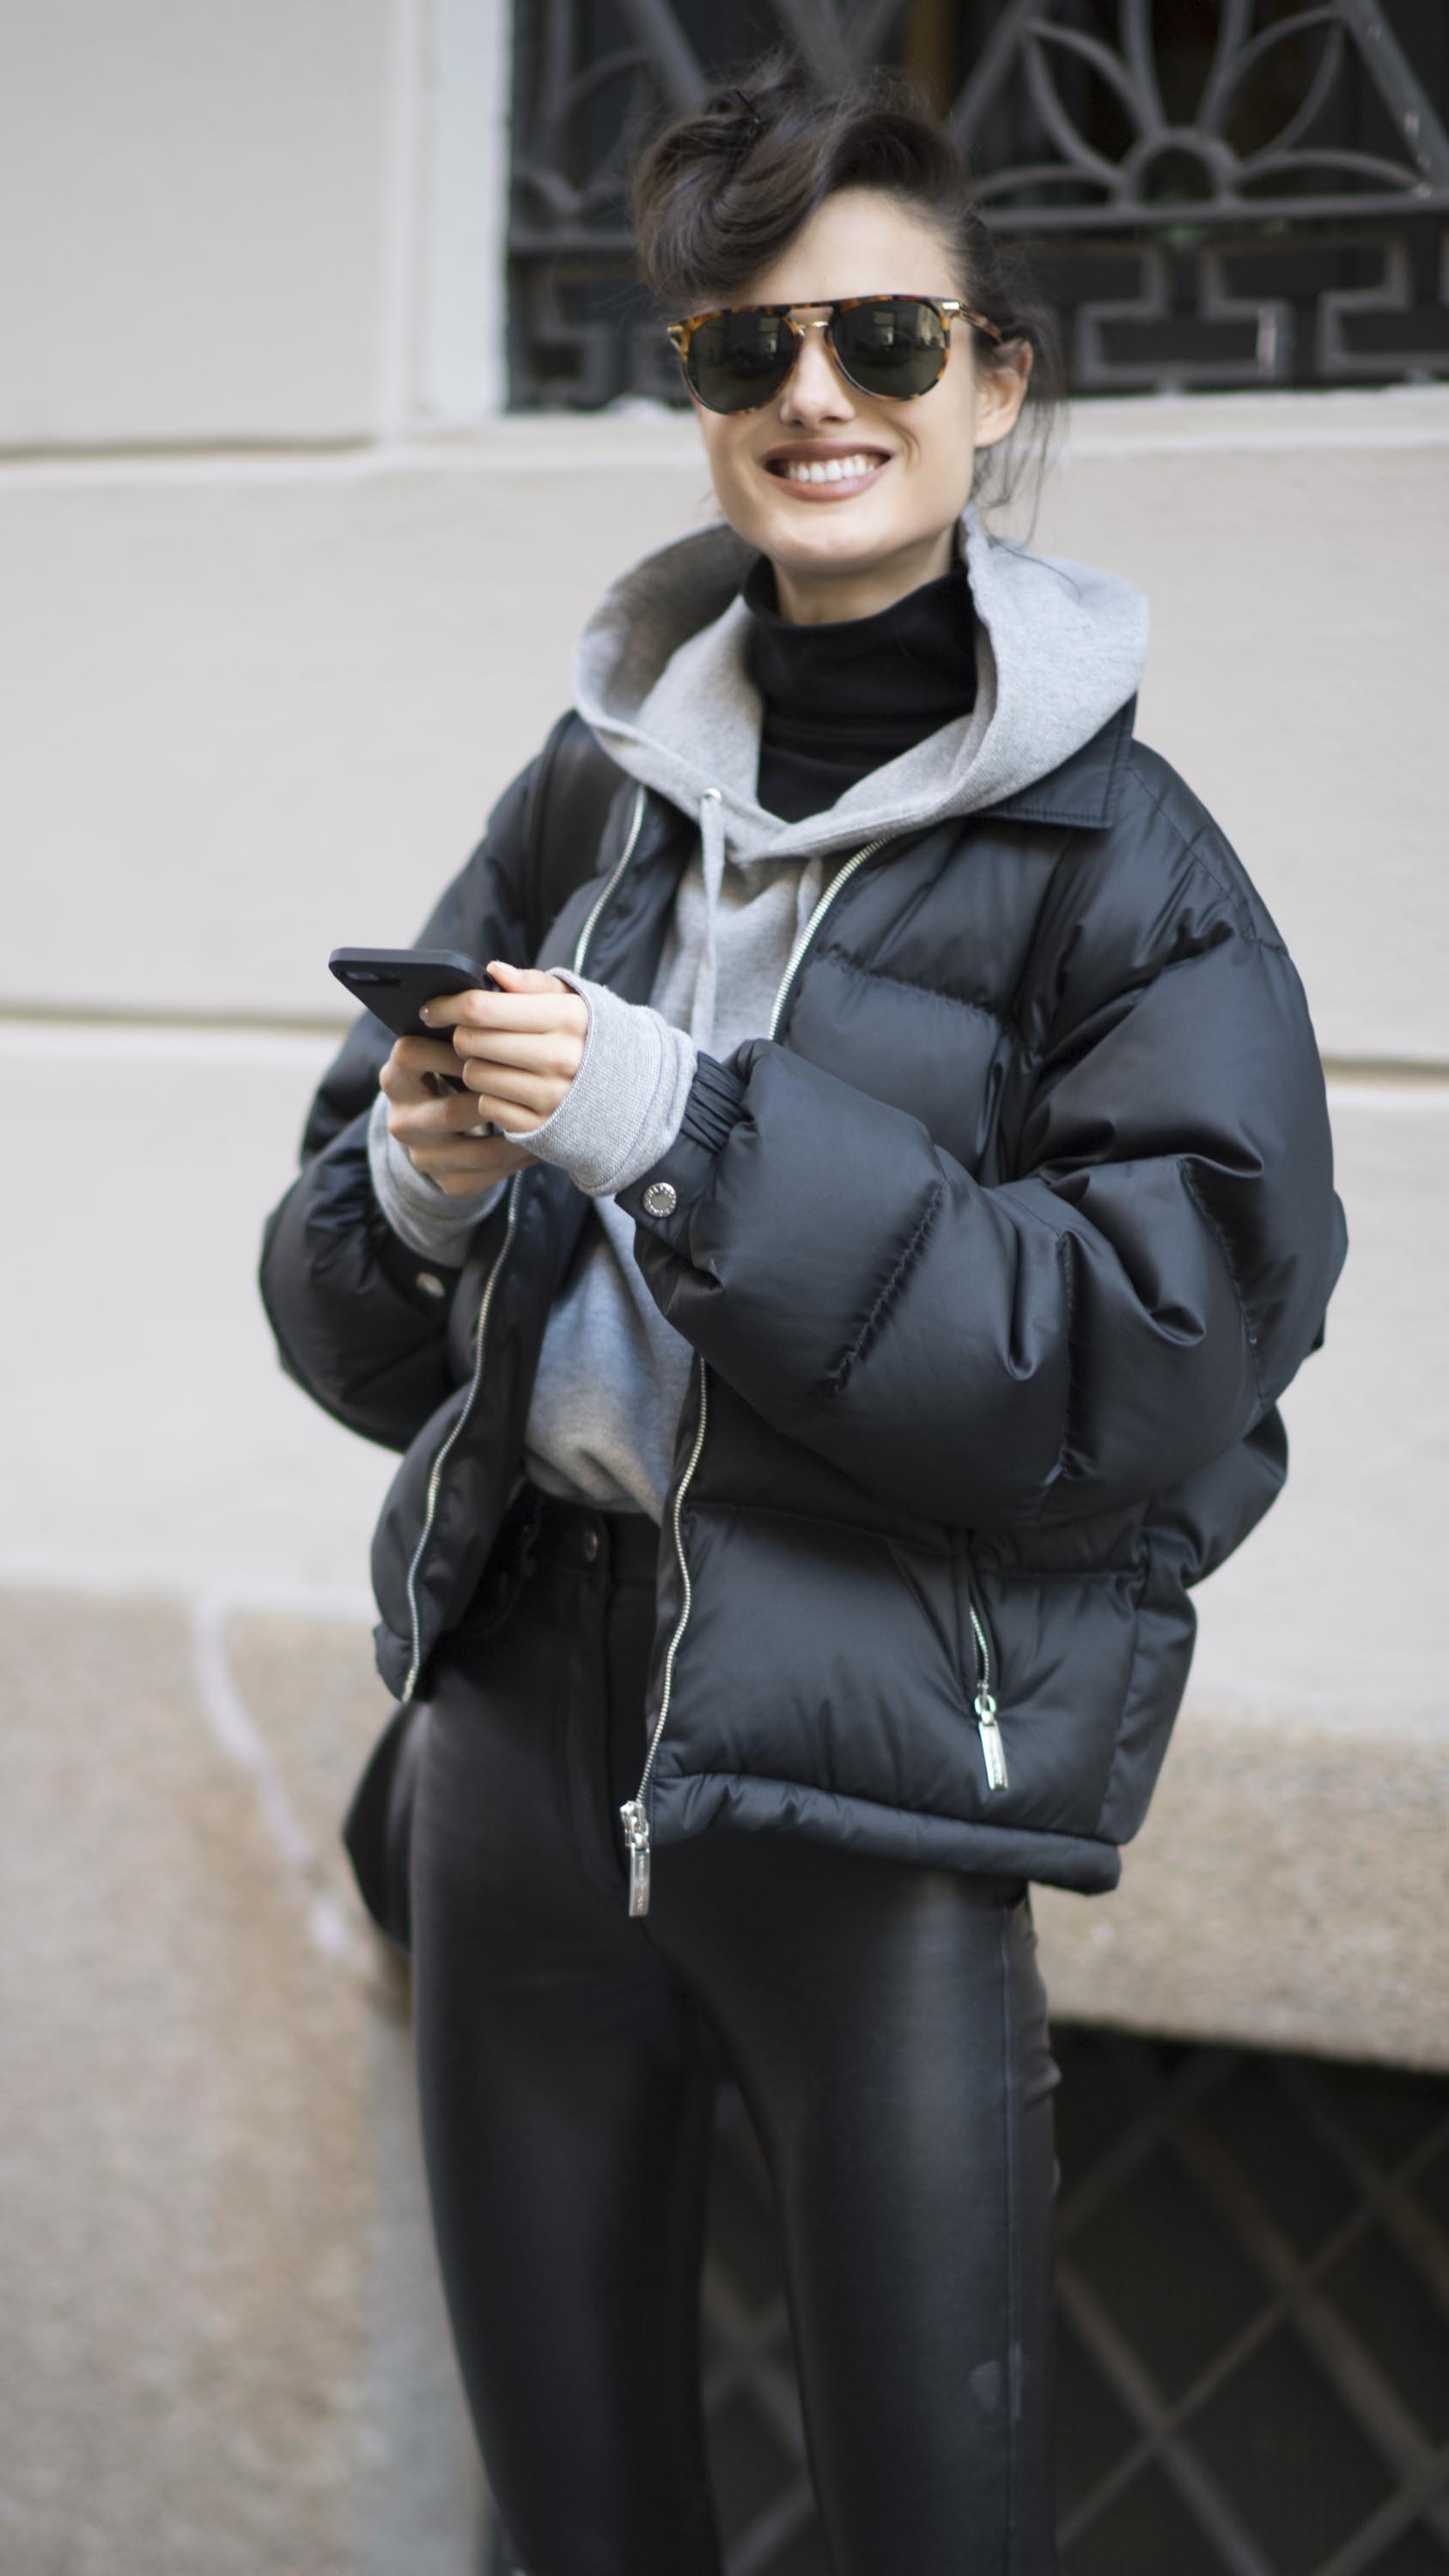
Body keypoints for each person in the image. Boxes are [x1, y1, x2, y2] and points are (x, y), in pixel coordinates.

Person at [259, 55, 1348, 2576]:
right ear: (700, 391)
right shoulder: (589, 791)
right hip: (518, 1726)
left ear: (995, 382)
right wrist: (422, 1184)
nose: (816, 397)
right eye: (749, 349)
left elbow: (1142, 1355)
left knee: (932, 2522)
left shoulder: (1129, 863)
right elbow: (345, 1320)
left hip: (869, 1770)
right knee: (575, 2512)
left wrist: (680, 1123)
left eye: (883, 339)